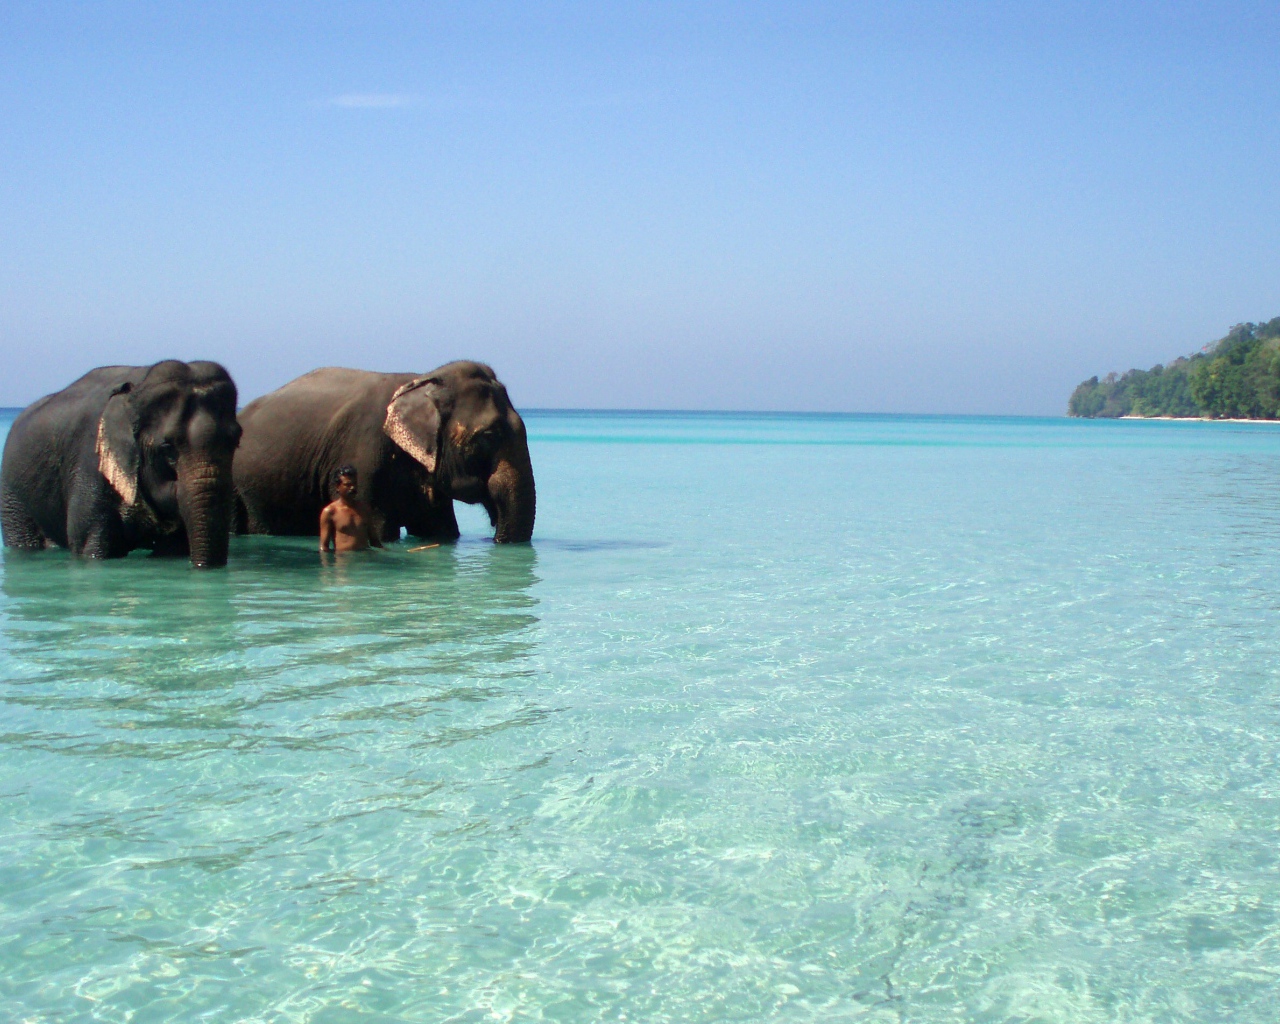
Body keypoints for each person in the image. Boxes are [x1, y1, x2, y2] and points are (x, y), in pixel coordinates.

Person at [319, 465, 383, 552]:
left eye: (354, 484)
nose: (353, 488)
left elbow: (375, 542)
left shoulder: (364, 509)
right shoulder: (330, 512)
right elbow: (324, 547)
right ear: (337, 487)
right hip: (343, 562)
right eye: (347, 485)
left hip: (364, 561)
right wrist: (328, 564)